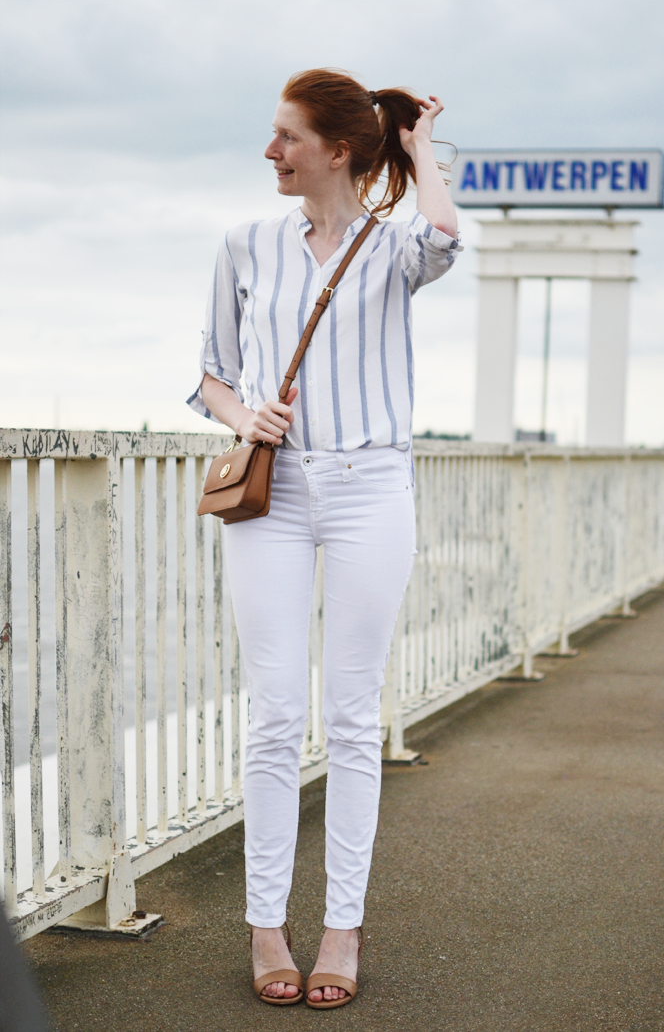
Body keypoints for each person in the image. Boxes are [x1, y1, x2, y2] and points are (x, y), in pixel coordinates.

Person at [187, 68, 461, 1009]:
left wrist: (420, 146)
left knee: (349, 717)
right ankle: (268, 921)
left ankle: (342, 923)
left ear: (336, 151)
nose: (270, 151)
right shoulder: (245, 243)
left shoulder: (391, 249)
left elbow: (443, 238)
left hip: (371, 486)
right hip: (276, 491)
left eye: (286, 137)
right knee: (272, 714)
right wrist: (246, 413)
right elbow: (210, 376)